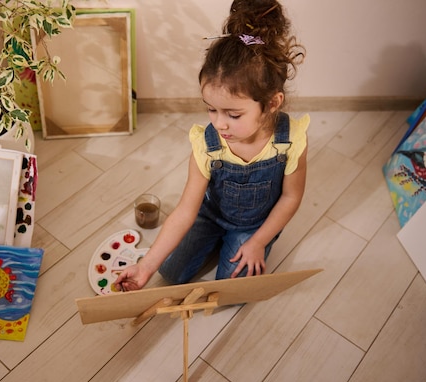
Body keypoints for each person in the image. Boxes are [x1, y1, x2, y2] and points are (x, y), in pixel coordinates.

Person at [115, 0, 308, 291]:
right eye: (211, 109)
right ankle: (216, 239)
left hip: (253, 226)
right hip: (210, 216)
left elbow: (290, 199)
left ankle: (237, 243)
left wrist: (257, 242)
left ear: (271, 103)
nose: (219, 124)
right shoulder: (207, 144)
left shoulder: (290, 140)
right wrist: (145, 265)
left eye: (233, 114)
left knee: (233, 291)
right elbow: (184, 211)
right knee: (171, 272)